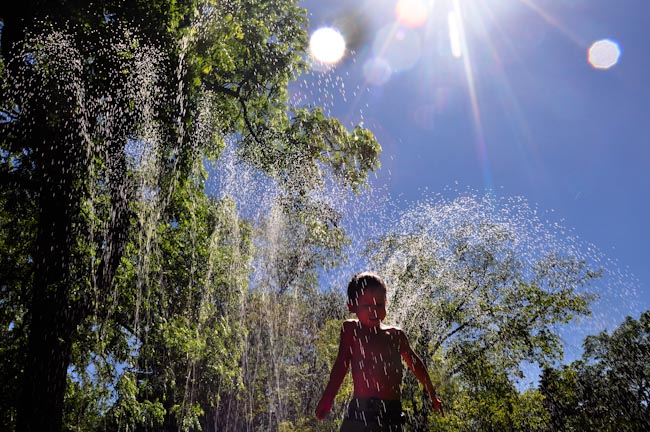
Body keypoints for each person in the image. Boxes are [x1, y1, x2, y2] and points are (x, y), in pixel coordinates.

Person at [315, 271, 444, 431]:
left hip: (391, 415)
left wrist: (432, 393)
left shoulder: (396, 335)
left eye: (379, 304)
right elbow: (341, 365)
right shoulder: (352, 330)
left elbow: (415, 364)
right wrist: (328, 398)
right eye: (367, 305)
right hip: (360, 412)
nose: (374, 310)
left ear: (386, 303)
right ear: (352, 306)